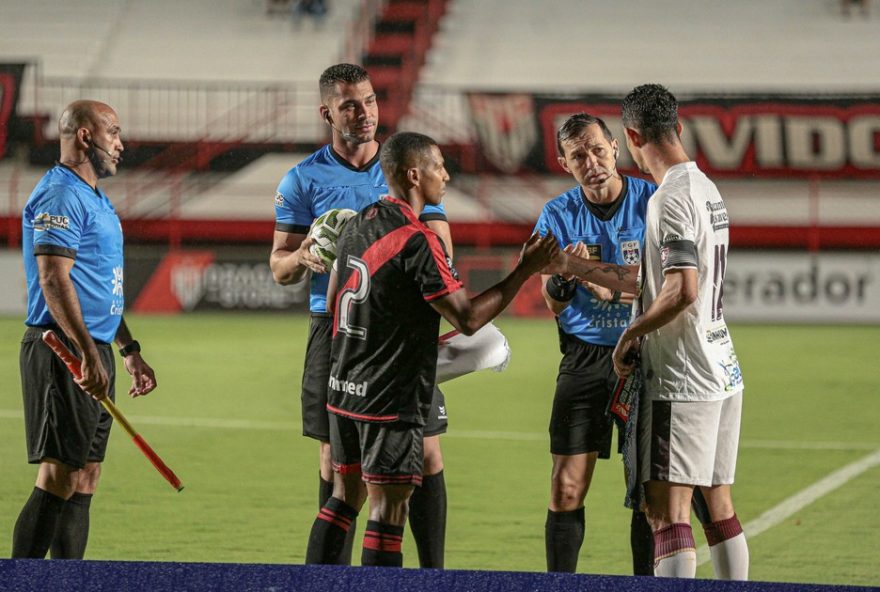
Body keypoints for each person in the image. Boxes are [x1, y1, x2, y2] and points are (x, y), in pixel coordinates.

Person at [305, 131, 558, 567]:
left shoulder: (354, 225)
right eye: (439, 165)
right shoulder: (417, 239)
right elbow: (467, 318)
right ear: (414, 174)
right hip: (391, 398)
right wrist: (525, 270)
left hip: (344, 389)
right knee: (388, 509)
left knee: (343, 499)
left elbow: (332, 306)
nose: (446, 174)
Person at [557, 84, 748, 579]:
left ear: (630, 137)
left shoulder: (668, 199)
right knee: (719, 506)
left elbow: (681, 288)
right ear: (679, 128)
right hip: (721, 365)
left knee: (666, 513)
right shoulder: (707, 188)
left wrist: (630, 334)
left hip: (683, 375)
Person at [270, 63, 452, 567]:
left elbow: (441, 243)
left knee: (428, 453)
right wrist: (302, 257)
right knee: (336, 465)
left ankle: (431, 572)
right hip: (333, 329)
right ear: (327, 112)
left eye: (370, 101)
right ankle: (334, 577)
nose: (365, 113)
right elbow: (279, 266)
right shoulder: (302, 179)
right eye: (351, 104)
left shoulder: (398, 165)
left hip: (396, 330)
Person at [12, 100, 157, 559]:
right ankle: (23, 581)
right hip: (61, 349)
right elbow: (55, 279)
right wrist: (87, 355)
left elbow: (97, 283)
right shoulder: (60, 195)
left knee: (85, 477)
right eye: (112, 131)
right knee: (58, 476)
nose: (121, 142)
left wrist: (127, 347)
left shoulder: (94, 196)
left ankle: (69, 580)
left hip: (93, 348)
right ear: (85, 136)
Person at [534, 113, 657, 574]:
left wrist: (596, 278)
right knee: (566, 487)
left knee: (647, 494)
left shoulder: (652, 202)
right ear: (565, 163)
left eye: (597, 150)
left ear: (615, 148)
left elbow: (661, 283)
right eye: (578, 156)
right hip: (584, 358)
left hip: (645, 355)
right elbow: (553, 301)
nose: (591, 162)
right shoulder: (557, 214)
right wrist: (566, 278)